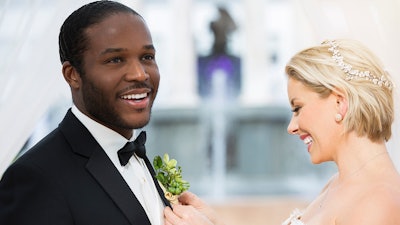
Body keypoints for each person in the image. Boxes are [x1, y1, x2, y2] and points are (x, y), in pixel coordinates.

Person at [163, 39, 400, 225]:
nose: (291, 127)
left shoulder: (379, 203)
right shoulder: (337, 183)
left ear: (340, 103)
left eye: (298, 108)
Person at [0, 1, 171, 225]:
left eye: (147, 57)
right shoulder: (36, 177)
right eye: (115, 60)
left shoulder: (136, 154)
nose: (140, 74)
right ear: (73, 75)